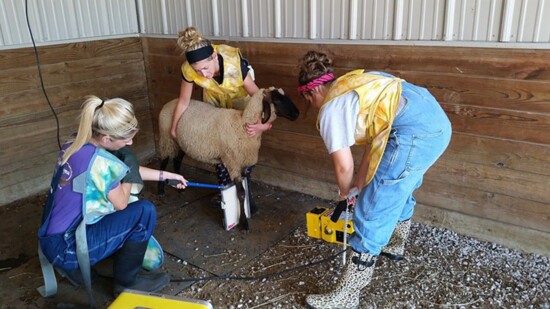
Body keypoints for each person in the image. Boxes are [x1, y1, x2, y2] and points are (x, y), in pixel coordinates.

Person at [297, 51, 452, 308]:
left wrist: (348, 194)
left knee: (372, 209)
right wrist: (358, 185)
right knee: (395, 187)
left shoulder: (331, 110)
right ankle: (395, 242)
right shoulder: (355, 83)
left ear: (309, 94)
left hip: (413, 132)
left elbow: (343, 164)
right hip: (433, 120)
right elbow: (375, 145)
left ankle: (347, 295)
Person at [37, 96, 188, 297]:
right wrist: (131, 165)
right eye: (126, 140)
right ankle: (127, 284)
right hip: (67, 248)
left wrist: (165, 176)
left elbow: (119, 173)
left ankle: (78, 272)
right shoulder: (102, 164)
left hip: (52, 238)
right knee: (143, 212)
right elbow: (121, 202)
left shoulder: (75, 143)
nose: (131, 142)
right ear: (107, 139)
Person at [170, 27, 269, 191]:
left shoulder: (234, 64)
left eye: (206, 68)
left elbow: (258, 97)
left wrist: (263, 126)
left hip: (240, 103)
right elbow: (183, 102)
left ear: (214, 56)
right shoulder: (188, 70)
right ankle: (226, 191)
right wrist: (174, 128)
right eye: (198, 70)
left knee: (244, 150)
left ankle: (244, 192)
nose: (203, 74)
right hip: (214, 102)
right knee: (219, 148)